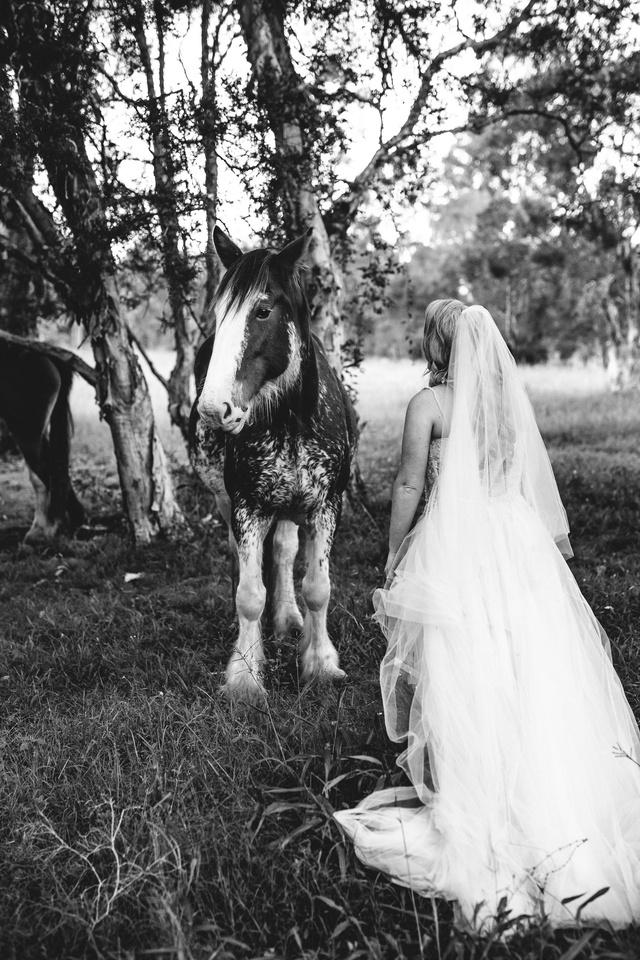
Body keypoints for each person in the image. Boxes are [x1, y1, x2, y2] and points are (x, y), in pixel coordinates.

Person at [334, 300, 640, 932]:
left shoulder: (430, 404)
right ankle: (553, 794)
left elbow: (409, 485)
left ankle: (480, 799)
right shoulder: (506, 403)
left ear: (438, 345)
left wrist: (394, 552)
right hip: (517, 545)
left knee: (465, 672)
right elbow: (523, 480)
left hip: (460, 547)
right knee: (533, 666)